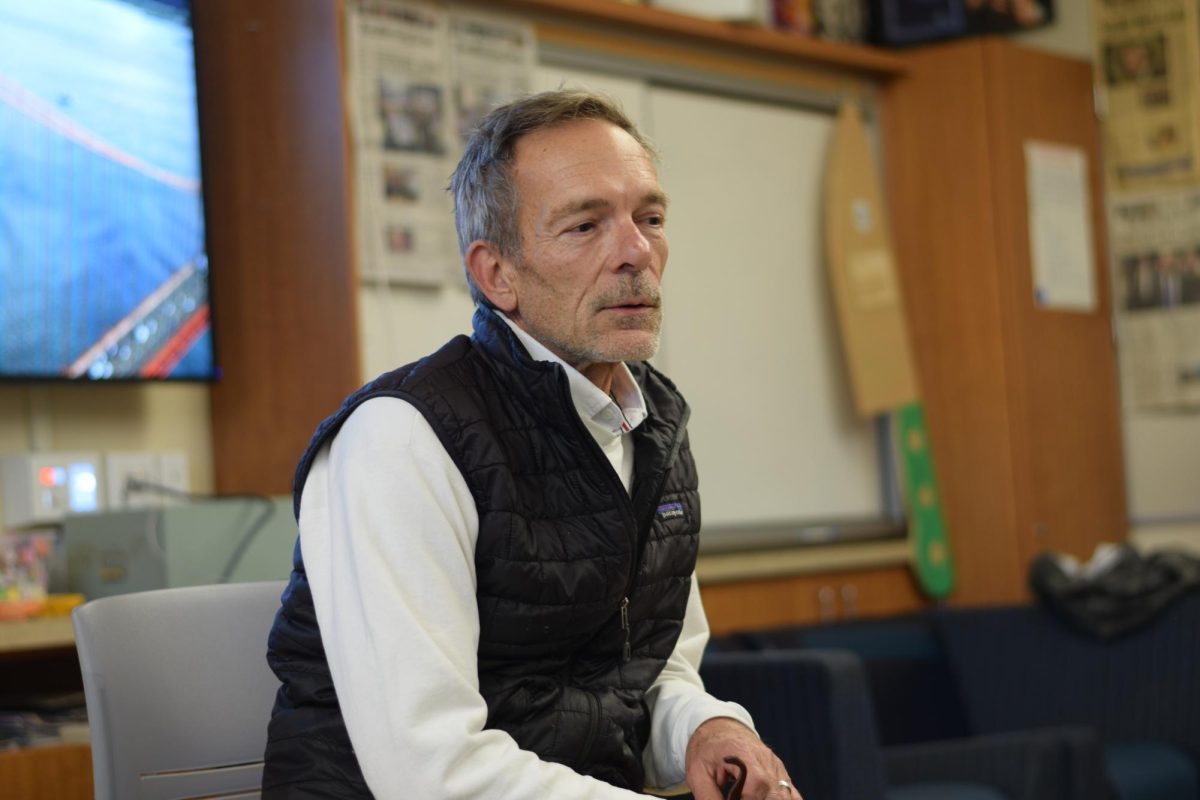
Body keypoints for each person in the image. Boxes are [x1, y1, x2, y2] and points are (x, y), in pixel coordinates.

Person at [263, 90, 798, 800]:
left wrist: (712, 730)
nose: (636, 252)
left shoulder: (652, 425)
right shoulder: (401, 442)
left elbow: (650, 670)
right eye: (585, 225)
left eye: (651, 218)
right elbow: (431, 772)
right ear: (497, 275)